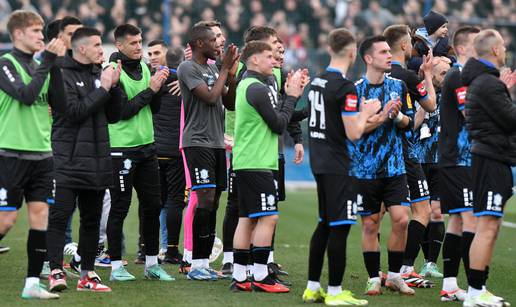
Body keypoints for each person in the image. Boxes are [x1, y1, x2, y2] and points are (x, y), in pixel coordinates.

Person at [302, 28, 380, 306]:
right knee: (340, 226)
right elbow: (354, 132)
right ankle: (335, 291)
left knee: (324, 223)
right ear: (351, 52)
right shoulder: (345, 87)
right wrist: (368, 112)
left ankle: (312, 288)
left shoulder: (317, 81)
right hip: (339, 164)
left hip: (320, 162)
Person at [46, 27, 122, 293]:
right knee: (59, 216)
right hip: (67, 160)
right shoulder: (61, 74)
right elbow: (74, 112)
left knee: (91, 220)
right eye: (98, 45)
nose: (103, 50)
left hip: (97, 161)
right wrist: (103, 86)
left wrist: (115, 85)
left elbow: (114, 115)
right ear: (81, 49)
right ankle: (56, 270)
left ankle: (87, 274)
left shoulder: (98, 73)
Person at [0, 10, 65, 299]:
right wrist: (48, 62)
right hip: (11, 154)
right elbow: (26, 95)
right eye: (36, 31)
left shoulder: (46, 65)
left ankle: (31, 286)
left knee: (40, 217)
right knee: (6, 221)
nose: (42, 36)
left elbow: (61, 105)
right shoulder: (5, 64)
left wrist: (57, 66)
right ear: (18, 35)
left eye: (42, 31)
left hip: (42, 155)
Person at [230, 40, 304, 293]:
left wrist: (295, 99)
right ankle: (261, 276)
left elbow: (280, 117)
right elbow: (278, 125)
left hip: (249, 161)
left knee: (246, 219)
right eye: (269, 56)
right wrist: (292, 96)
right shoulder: (256, 88)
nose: (275, 61)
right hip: (257, 162)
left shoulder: (252, 85)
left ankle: (240, 276)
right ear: (254, 60)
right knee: (268, 217)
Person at [106, 23, 173, 282]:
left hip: (147, 147)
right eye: (133, 43)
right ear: (120, 45)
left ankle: (152, 264)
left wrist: (157, 87)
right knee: (120, 208)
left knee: (152, 206)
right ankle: (115, 267)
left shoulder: (145, 67)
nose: (139, 47)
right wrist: (151, 90)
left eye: (140, 42)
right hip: (121, 150)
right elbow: (123, 111)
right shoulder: (113, 71)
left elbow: (152, 108)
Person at [349, 35, 414, 296]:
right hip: (364, 169)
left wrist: (397, 115)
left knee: (401, 220)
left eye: (390, 50)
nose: (390, 55)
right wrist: (382, 115)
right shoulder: (354, 91)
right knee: (370, 225)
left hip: (395, 167)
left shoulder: (399, 86)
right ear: (368, 58)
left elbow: (409, 123)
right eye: (383, 52)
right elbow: (354, 129)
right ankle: (374, 277)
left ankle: (396, 276)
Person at [177, 23, 239, 281]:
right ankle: (196, 263)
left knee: (213, 202)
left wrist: (231, 75)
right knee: (203, 200)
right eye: (214, 41)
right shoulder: (188, 68)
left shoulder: (215, 67)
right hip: (197, 142)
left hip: (215, 143)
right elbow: (211, 97)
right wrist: (225, 68)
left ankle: (203, 263)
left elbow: (229, 101)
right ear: (200, 44)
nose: (219, 45)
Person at [462, 29, 515, 307]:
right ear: (494, 50)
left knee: (491, 226)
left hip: (494, 158)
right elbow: (510, 120)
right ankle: (474, 292)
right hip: (491, 159)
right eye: (503, 45)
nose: (505, 49)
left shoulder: (484, 82)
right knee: (486, 225)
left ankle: (478, 289)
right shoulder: (488, 84)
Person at [383, 24, 437, 288]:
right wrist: (426, 75)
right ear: (404, 45)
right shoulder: (408, 77)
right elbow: (431, 105)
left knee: (376, 213)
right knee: (422, 209)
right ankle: (405, 267)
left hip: (377, 154)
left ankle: (377, 274)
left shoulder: (375, 75)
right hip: (405, 153)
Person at [437, 26, 480, 302]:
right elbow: (470, 113)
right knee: (471, 221)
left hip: (458, 160)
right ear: (463, 48)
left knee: (455, 222)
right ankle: (477, 288)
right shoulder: (458, 75)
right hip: (458, 160)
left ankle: (450, 285)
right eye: (478, 43)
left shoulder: (463, 75)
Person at [147, 40, 187, 265]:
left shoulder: (151, 80)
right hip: (175, 149)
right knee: (174, 201)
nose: (152, 57)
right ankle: (171, 249)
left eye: (156, 53)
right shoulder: (186, 81)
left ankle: (145, 250)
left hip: (153, 148)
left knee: (152, 201)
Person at [414, 57, 451, 280]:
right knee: (421, 213)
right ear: (431, 74)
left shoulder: (452, 96)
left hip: (441, 161)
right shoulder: (419, 94)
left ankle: (430, 263)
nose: (447, 77)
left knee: (436, 212)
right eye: (443, 73)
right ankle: (422, 259)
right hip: (418, 161)